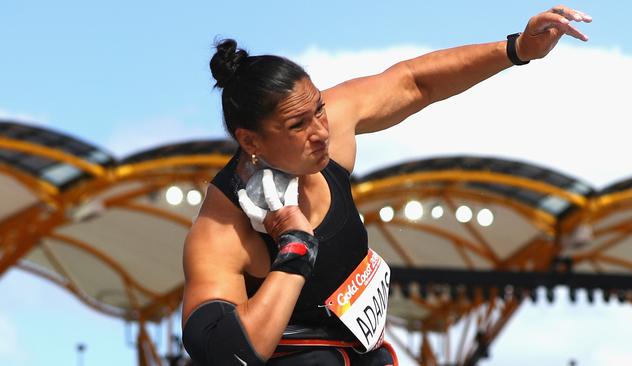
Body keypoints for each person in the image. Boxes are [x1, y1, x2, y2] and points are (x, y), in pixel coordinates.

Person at [181, 5, 591, 365]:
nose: (321, 131)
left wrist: (517, 49)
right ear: (250, 141)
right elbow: (224, 354)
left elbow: (415, 82)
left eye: (319, 109)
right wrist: (295, 252)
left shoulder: (327, 127)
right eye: (297, 125)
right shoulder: (222, 230)